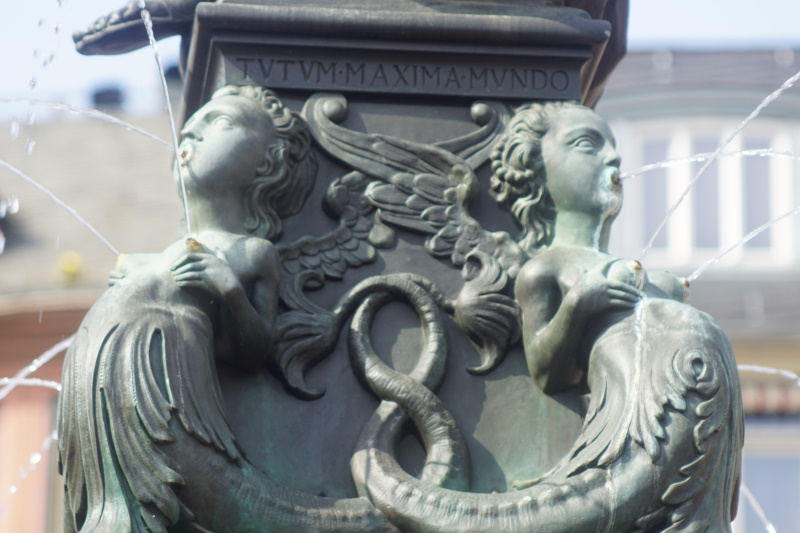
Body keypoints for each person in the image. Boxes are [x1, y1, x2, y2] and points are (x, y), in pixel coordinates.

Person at [57, 85, 317, 533]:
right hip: (93, 378)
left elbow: (255, 350)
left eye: (219, 122)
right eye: (189, 127)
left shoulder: (251, 252)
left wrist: (229, 289)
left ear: (267, 163)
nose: (189, 136)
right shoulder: (151, 257)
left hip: (161, 385)